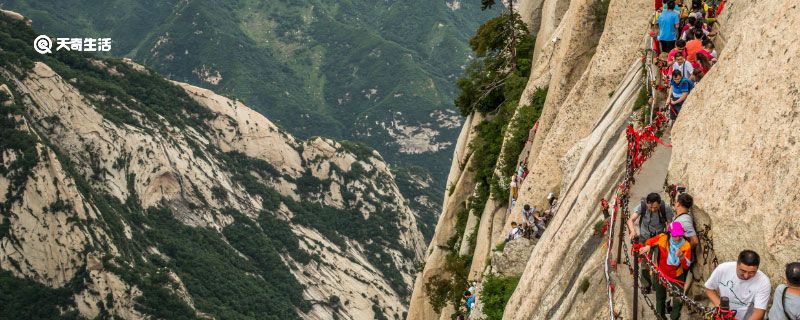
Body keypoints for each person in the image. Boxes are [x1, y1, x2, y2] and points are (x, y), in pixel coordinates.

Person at [638, 221, 693, 320]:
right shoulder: (663, 238)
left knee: (678, 299)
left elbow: (687, 266)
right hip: (660, 273)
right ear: (670, 233)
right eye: (675, 235)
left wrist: (681, 257)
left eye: (680, 235)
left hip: (677, 275)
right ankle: (661, 317)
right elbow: (650, 241)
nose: (678, 237)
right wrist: (648, 246)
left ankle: (674, 317)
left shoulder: (686, 246)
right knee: (660, 297)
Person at [627, 193, 675, 293]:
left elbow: (670, 223)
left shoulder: (665, 208)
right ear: (647, 203)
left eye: (656, 207)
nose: (653, 209)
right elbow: (631, 220)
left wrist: (670, 236)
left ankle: (657, 285)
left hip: (659, 239)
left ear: (659, 205)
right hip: (645, 238)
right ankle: (646, 285)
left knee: (659, 263)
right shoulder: (643, 206)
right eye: (651, 207)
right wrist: (632, 231)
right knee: (644, 262)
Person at [704, 250, 771, 320]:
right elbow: (709, 289)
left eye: (752, 272)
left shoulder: (763, 282)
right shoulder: (722, 269)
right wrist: (722, 310)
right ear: (737, 265)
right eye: (743, 271)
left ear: (757, 269)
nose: (746, 276)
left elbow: (759, 312)